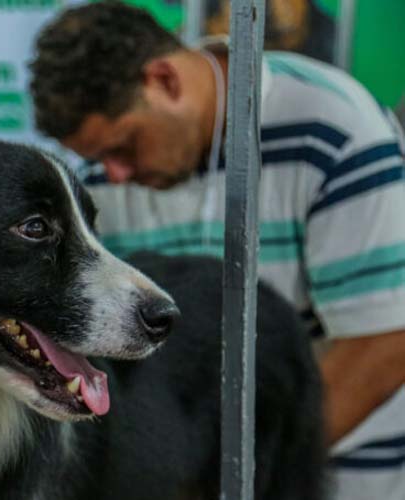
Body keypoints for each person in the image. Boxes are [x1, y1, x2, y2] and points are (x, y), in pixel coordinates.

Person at [28, 2, 405, 498]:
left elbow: (383, 341)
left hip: (335, 462)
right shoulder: (102, 177)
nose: (113, 176)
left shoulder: (333, 130)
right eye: (97, 159)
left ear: (164, 79)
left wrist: (251, 471)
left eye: (125, 147)